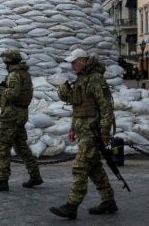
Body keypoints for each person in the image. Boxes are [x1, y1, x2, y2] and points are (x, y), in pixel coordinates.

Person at [49, 48, 117, 220]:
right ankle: (108, 201)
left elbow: (106, 108)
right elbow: (78, 107)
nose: (72, 65)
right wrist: (73, 128)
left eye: (74, 62)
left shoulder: (95, 79)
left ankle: (72, 205)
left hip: (93, 133)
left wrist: (104, 134)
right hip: (83, 130)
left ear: (83, 61)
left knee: (79, 167)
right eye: (71, 63)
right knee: (94, 169)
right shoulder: (81, 79)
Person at [0, 49, 43, 192]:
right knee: (20, 146)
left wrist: (1, 90)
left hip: (11, 115)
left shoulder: (14, 75)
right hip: (21, 113)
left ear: (8, 61)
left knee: (3, 147)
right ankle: (35, 175)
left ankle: (2, 180)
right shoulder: (24, 73)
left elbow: (13, 94)